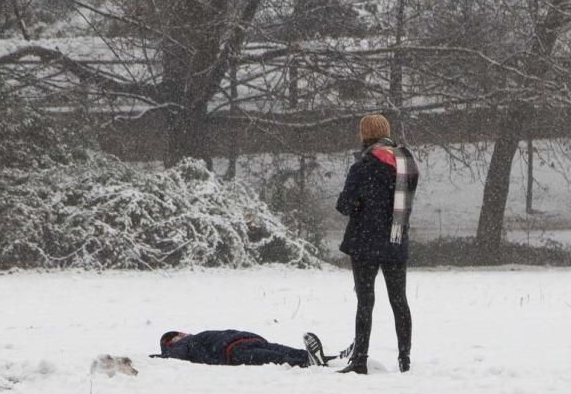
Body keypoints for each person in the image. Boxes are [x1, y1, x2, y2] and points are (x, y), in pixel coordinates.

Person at [336, 113, 419, 374]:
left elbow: (345, 205)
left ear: (364, 136)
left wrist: (360, 202)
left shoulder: (362, 167)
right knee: (399, 301)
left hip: (365, 243)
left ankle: (359, 360)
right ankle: (404, 359)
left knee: (365, 302)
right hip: (396, 240)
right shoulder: (407, 164)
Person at [156, 330, 339, 368]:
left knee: (283, 350)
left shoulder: (192, 339)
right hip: (233, 351)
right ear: (171, 342)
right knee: (273, 357)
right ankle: (308, 362)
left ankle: (329, 358)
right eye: (177, 335)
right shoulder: (180, 346)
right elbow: (176, 357)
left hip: (247, 340)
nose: (183, 333)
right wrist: (163, 355)